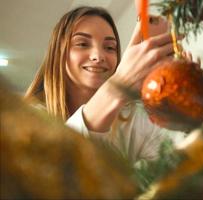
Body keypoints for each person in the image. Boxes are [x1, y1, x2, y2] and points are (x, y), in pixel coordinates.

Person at [24, 6, 187, 164]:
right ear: (58, 53)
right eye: (82, 44)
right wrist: (117, 87)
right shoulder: (27, 117)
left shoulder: (133, 118)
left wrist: (190, 109)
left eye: (110, 47)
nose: (98, 56)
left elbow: (174, 165)